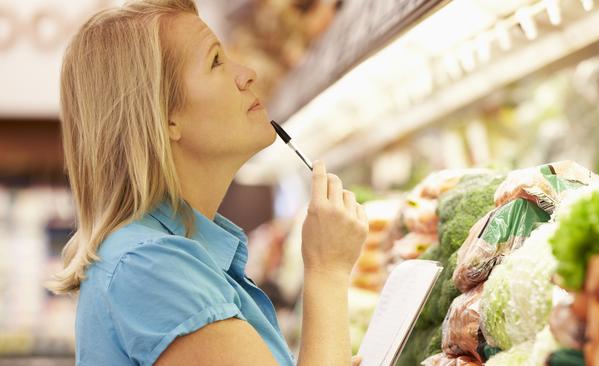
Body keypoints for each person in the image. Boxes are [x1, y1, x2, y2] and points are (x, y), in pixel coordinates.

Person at [47, 1, 368, 365]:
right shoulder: (153, 269)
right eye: (216, 61)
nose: (247, 74)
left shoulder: (170, 254)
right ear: (163, 117)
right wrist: (328, 270)